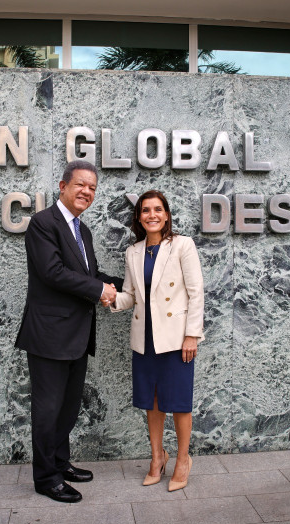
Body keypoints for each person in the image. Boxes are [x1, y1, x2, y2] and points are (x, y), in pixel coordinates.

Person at [15, 160, 122, 503]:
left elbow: (90, 275)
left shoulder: (82, 231)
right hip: (49, 336)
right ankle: (47, 478)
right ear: (63, 187)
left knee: (68, 408)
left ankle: (60, 464)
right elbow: (53, 272)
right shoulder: (43, 223)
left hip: (77, 335)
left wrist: (126, 284)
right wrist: (99, 290)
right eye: (80, 185)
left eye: (92, 188)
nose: (87, 192)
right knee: (48, 410)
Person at [111, 190, 204, 492]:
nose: (152, 215)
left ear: (166, 215)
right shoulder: (133, 252)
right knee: (152, 402)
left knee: (178, 402)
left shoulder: (182, 245)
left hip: (176, 339)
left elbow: (196, 293)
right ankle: (157, 458)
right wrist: (109, 297)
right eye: (145, 210)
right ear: (138, 217)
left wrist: (192, 335)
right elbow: (131, 296)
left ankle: (183, 459)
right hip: (145, 338)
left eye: (157, 209)